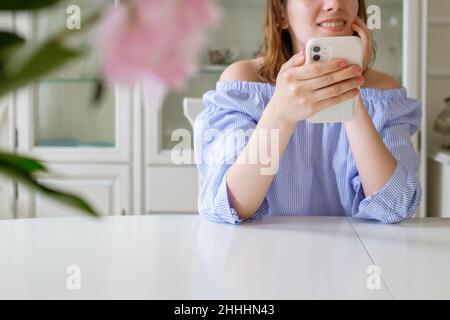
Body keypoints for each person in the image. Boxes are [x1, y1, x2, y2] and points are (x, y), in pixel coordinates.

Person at [194, 0, 422, 224]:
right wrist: (280, 113)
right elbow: (228, 205)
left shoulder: (384, 93)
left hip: (355, 256)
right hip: (263, 254)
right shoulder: (244, 82)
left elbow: (396, 206)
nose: (334, 4)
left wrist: (351, 89)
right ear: (281, 12)